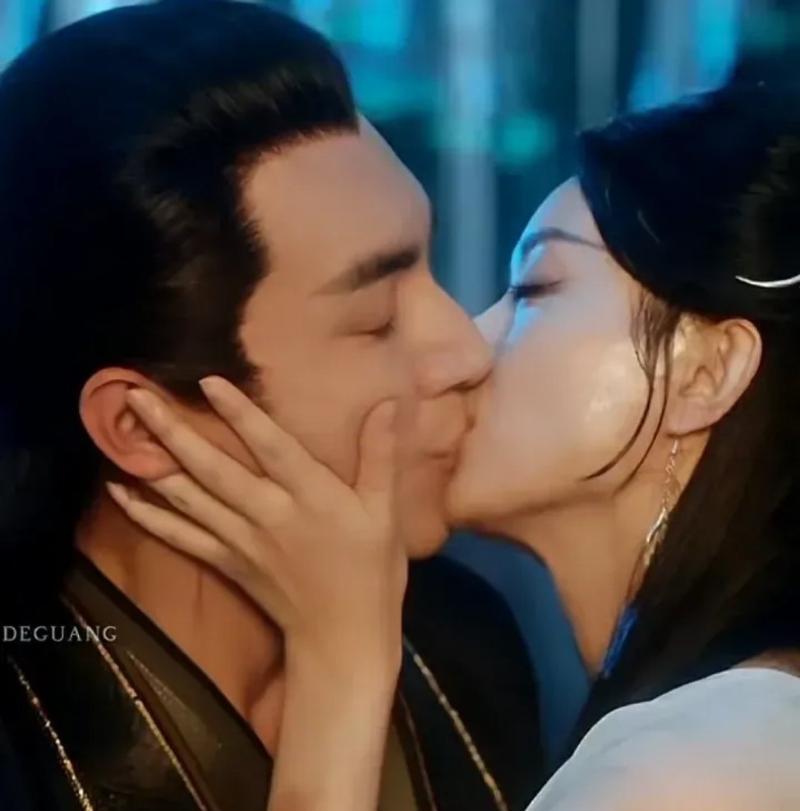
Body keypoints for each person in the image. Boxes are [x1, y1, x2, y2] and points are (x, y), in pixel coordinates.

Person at [118, 82, 800, 810]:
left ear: (705, 372)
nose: (469, 346)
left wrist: (340, 665)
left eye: (534, 288)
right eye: (375, 317)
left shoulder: (688, 775)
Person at [0, 3, 543, 810]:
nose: (467, 351)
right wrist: (341, 682)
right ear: (140, 425)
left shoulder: (460, 643)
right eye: (376, 320)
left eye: (431, 272)